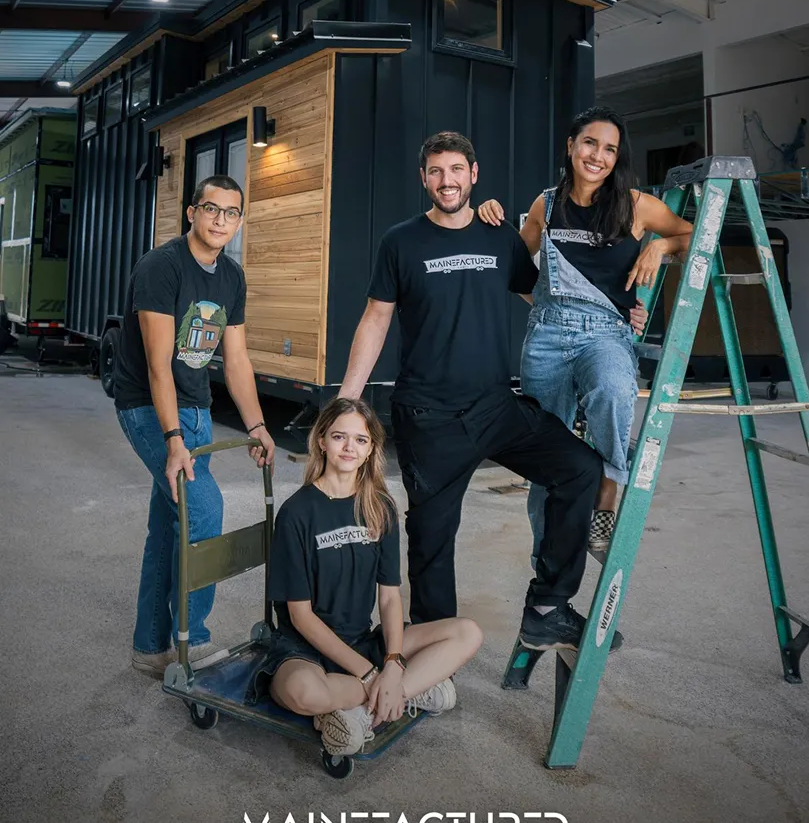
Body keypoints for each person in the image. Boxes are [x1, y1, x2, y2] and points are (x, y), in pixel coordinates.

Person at [338, 129, 611, 656]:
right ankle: (433, 657)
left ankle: (548, 607)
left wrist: (610, 320)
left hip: (496, 406)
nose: (447, 181)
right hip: (430, 416)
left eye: (456, 171)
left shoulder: (499, 235)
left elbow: (546, 298)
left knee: (579, 469)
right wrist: (349, 402)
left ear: (473, 174)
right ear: (424, 179)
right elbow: (376, 319)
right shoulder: (402, 241)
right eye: (436, 172)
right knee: (432, 542)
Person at [478, 106, 692, 558]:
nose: (599, 156)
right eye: (590, 143)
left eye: (610, 148)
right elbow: (515, 270)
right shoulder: (546, 205)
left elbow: (694, 235)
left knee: (614, 389)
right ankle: (546, 554)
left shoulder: (636, 206)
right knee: (545, 450)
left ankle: (608, 492)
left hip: (606, 335)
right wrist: (487, 216)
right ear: (571, 146)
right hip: (547, 338)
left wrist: (662, 246)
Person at [114, 174, 276, 677]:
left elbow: (236, 361)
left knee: (170, 524)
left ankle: (149, 648)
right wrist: (173, 441)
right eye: (211, 209)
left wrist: (257, 425)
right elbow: (159, 366)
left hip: (198, 408)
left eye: (231, 213)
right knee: (204, 507)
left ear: (240, 220)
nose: (220, 220)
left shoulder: (231, 276)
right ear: (192, 212)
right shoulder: (160, 268)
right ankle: (194, 639)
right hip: (147, 405)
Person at [259, 397, 482, 757]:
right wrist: (370, 674)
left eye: (361, 440)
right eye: (339, 437)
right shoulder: (296, 513)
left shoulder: (379, 507)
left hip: (362, 640)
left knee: (467, 632)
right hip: (305, 651)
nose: (349, 447)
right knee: (305, 693)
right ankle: (403, 693)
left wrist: (392, 662)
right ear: (321, 441)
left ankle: (369, 709)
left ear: (371, 449)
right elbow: (300, 617)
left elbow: (390, 598)